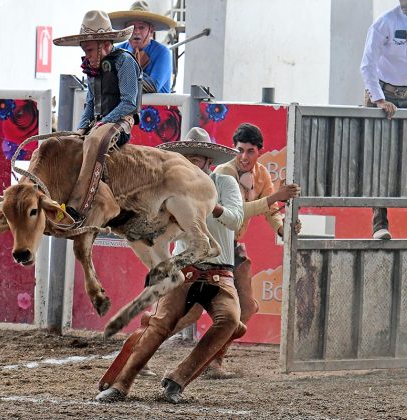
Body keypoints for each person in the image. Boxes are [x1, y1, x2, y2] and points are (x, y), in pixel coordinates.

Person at [95, 127, 246, 403]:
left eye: (196, 160)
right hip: (182, 271)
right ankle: (120, 385)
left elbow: (237, 219)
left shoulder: (224, 183)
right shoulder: (168, 188)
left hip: (219, 270)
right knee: (160, 325)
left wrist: (207, 203)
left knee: (230, 321)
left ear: (208, 163)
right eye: (185, 159)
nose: (189, 164)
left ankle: (178, 379)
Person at [210, 122, 300, 378]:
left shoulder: (261, 175)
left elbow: (272, 213)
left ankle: (215, 359)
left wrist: (283, 230)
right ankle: (147, 340)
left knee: (246, 307)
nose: (244, 156)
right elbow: (239, 213)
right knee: (183, 313)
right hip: (212, 249)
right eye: (240, 150)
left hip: (233, 248)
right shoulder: (223, 172)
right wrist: (275, 197)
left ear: (259, 151)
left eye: (250, 151)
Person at [52, 10, 140, 224]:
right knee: (70, 142)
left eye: (89, 49)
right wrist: (80, 129)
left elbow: (129, 102)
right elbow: (91, 102)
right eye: (85, 50)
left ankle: (78, 205)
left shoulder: (124, 61)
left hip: (123, 121)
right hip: (101, 122)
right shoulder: (92, 67)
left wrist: (102, 123)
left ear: (103, 43)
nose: (87, 55)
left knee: (93, 140)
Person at [360, 0, 407, 240]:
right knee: (379, 159)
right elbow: (367, 65)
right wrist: (379, 100)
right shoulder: (385, 22)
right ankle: (379, 225)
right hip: (383, 92)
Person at [109, 0, 175, 93]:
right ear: (125, 30)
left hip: (154, 107)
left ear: (151, 30)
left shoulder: (162, 52)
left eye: (141, 27)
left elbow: (152, 86)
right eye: (132, 28)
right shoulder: (116, 51)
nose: (136, 32)